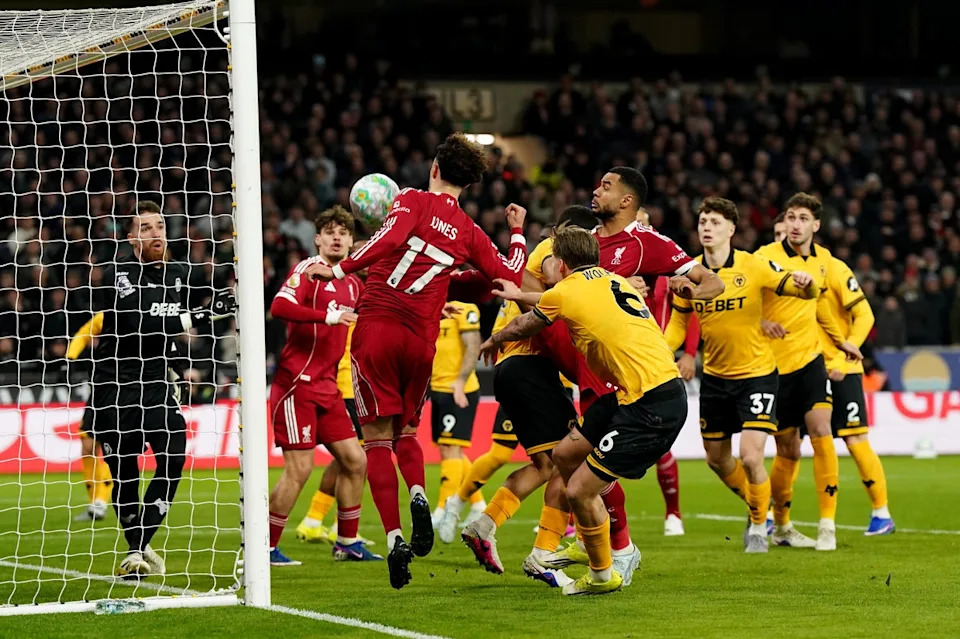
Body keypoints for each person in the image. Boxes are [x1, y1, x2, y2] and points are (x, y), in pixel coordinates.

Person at [305, 132, 528, 589]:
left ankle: (391, 537)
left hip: (379, 330)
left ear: (434, 169)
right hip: (421, 343)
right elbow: (506, 277)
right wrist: (519, 232)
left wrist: (341, 267)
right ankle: (421, 494)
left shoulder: (409, 201)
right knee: (407, 431)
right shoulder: (469, 232)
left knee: (376, 442)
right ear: (468, 184)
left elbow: (388, 243)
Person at [480, 227, 688, 596]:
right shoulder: (615, 281)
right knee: (564, 454)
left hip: (651, 403)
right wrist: (521, 294)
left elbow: (525, 322)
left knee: (578, 490)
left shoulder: (566, 290)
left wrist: (495, 338)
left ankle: (602, 573)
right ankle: (590, 541)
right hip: (635, 392)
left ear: (560, 264)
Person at [539, 167, 723, 569]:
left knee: (597, 468)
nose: (595, 190)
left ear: (626, 202)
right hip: (588, 366)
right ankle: (606, 545)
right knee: (569, 459)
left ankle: (618, 549)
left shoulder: (644, 243)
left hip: (631, 375)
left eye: (605, 186)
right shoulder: (580, 244)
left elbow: (711, 282)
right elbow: (545, 292)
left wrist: (689, 289)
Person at [90, 200, 234, 578]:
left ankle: (136, 549)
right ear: (132, 236)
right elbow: (143, 323)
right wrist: (203, 314)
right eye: (147, 227)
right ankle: (137, 549)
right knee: (124, 474)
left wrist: (183, 369)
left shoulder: (176, 275)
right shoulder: (119, 273)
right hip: (116, 384)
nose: (157, 233)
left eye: (160, 226)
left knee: (173, 457)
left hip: (155, 382)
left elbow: (167, 337)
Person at [665, 197, 818, 552]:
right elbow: (678, 323)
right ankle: (760, 506)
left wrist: (806, 281)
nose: (707, 228)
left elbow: (804, 291)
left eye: (715, 223)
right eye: (703, 221)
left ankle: (757, 525)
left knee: (751, 456)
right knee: (717, 460)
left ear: (731, 230)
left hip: (758, 375)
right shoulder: (689, 273)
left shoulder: (754, 265)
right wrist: (658, 347)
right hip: (716, 379)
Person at [266, 206, 379, 566]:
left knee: (355, 459)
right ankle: (263, 548)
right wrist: (326, 316)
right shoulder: (307, 271)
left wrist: (433, 312)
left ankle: (346, 541)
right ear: (317, 239)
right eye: (330, 231)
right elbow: (279, 307)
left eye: (343, 232)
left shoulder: (352, 284)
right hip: (295, 384)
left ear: (350, 241)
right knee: (299, 469)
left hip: (328, 388)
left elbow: (377, 314)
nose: (336, 237)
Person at [755, 193, 862, 551]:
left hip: (811, 361)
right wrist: (761, 320)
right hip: (773, 367)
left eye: (803, 218)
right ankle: (782, 524)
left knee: (821, 431)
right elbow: (742, 300)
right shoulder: (765, 257)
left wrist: (842, 341)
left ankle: (827, 524)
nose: (795, 224)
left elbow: (820, 309)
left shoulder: (823, 263)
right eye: (790, 217)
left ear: (815, 225)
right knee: (788, 451)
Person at [295, 239, 373, 547]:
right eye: (366, 257)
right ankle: (318, 521)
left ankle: (316, 521)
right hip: (348, 385)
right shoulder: (348, 290)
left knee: (348, 459)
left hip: (353, 384)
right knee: (356, 458)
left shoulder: (359, 290)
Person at [428, 298, 487, 527]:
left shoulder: (465, 307)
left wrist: (460, 381)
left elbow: (473, 344)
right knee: (451, 449)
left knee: (450, 449)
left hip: (457, 389)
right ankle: (478, 503)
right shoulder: (432, 304)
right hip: (438, 388)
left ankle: (443, 509)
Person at [66, 312, 113, 522]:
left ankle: (102, 500)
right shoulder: (105, 317)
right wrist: (70, 358)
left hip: (127, 388)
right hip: (100, 389)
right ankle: (95, 501)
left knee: (115, 450)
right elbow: (83, 334)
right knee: (87, 446)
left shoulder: (140, 313)